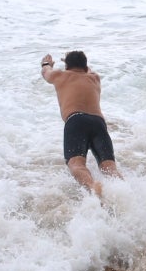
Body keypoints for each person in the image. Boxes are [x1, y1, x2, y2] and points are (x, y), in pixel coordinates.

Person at [40, 50, 122, 197]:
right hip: (98, 123)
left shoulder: (60, 75)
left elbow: (46, 73)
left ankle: (93, 188)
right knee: (109, 168)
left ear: (67, 66)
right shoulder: (95, 78)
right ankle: (124, 193)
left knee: (76, 165)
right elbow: (87, 70)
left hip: (76, 121)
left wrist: (47, 63)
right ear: (85, 66)